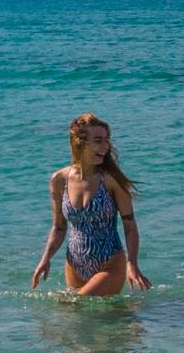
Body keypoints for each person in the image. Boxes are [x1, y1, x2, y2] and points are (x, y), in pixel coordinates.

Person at [32, 113, 149, 297]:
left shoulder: (111, 180)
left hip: (110, 264)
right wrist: (45, 259)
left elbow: (130, 226)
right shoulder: (59, 180)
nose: (105, 146)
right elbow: (59, 227)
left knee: (73, 304)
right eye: (98, 140)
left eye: (106, 140)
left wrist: (132, 264)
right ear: (79, 142)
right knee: (86, 316)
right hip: (74, 265)